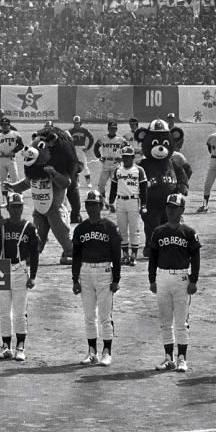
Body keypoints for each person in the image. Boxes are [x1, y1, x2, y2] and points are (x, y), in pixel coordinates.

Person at [148, 193, 200, 373]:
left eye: (174, 208)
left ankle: (182, 358)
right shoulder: (158, 231)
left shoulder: (189, 232)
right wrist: (151, 279)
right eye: (168, 207)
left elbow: (196, 257)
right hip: (162, 277)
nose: (170, 211)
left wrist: (194, 280)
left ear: (182, 210)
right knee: (165, 320)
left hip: (181, 278)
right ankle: (168, 358)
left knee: (181, 322)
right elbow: (153, 257)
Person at [71, 190, 122, 367]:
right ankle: (92, 351)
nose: (91, 207)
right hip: (85, 272)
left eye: (94, 204)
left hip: (104, 271)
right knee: (89, 315)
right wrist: (74, 279)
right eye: (88, 204)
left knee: (105, 316)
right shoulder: (80, 228)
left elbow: (117, 254)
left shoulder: (110, 227)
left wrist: (116, 278)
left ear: (101, 206)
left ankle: (107, 351)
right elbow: (76, 256)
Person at [0, 193, 40, 361]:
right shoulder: (2, 226)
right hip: (1, 268)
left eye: (19, 206)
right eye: (13, 206)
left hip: (20, 269)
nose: (16, 209)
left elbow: (35, 252)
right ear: (8, 208)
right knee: (4, 311)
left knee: (20, 311)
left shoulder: (29, 227)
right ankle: (5, 346)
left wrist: (33, 275)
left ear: (22, 208)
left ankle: (20, 346)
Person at [108, 145, 148, 264]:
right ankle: (125, 254)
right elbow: (113, 188)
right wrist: (111, 202)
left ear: (133, 157)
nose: (126, 159)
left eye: (129, 157)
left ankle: (134, 255)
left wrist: (144, 204)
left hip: (133, 201)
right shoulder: (117, 170)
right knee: (122, 229)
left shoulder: (139, 170)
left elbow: (144, 188)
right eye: (124, 157)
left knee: (134, 229)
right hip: (120, 201)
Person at [93, 121, 126, 195]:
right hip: (106, 164)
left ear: (116, 129)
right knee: (101, 185)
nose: (112, 130)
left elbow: (128, 149)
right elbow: (96, 147)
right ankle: (103, 200)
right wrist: (99, 156)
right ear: (108, 129)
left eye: (114, 128)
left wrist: (123, 158)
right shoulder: (103, 138)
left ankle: (116, 201)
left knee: (117, 185)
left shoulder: (120, 139)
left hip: (116, 164)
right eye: (111, 128)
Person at [0, 118, 25, 198]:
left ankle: (19, 197)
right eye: (3, 125)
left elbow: (21, 145)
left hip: (11, 160)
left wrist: (13, 151)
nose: (4, 126)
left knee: (14, 179)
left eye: (6, 125)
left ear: (9, 125)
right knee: (2, 181)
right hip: (1, 160)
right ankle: (5, 199)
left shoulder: (15, 134)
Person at [70, 116, 95, 188]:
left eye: (78, 123)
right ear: (73, 123)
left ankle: (88, 182)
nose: (76, 124)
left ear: (80, 123)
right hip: (74, 149)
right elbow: (67, 140)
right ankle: (77, 182)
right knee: (75, 166)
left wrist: (88, 148)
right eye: (75, 123)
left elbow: (91, 138)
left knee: (84, 166)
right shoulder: (71, 131)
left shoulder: (84, 130)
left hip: (81, 149)